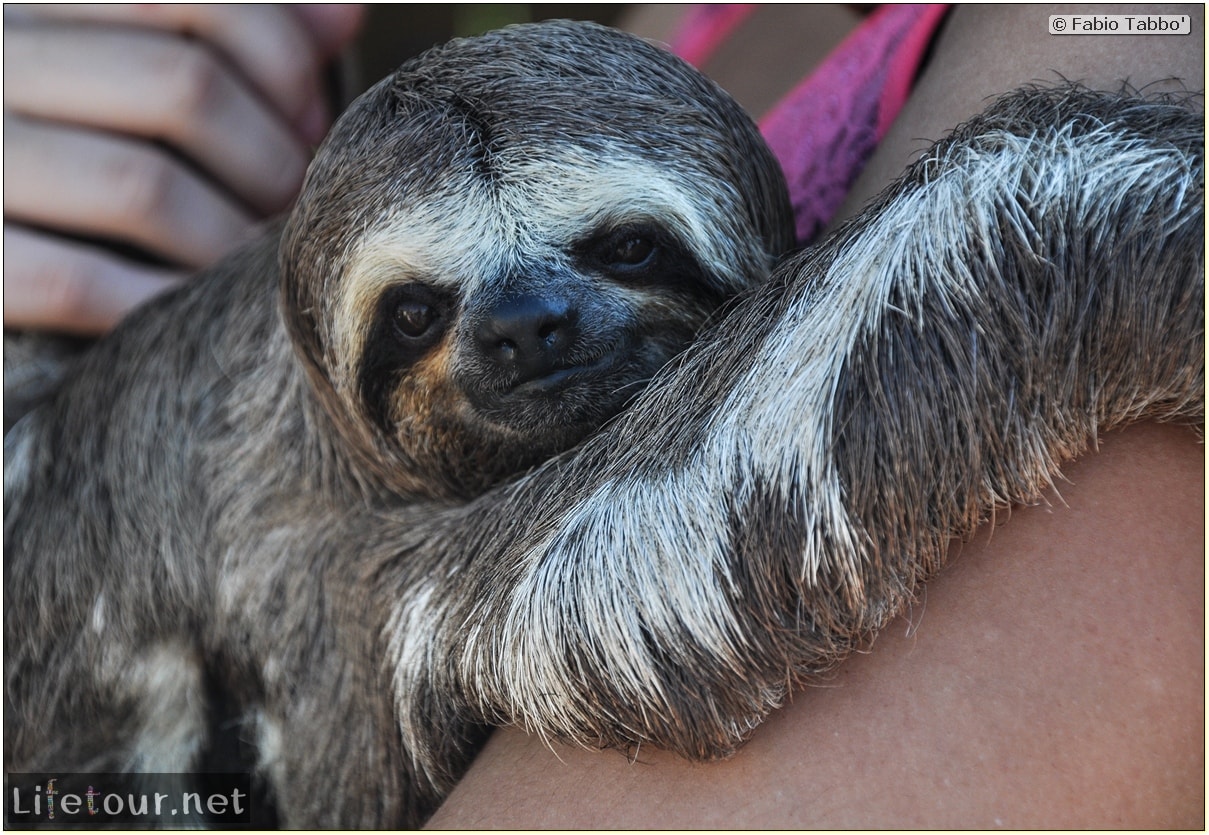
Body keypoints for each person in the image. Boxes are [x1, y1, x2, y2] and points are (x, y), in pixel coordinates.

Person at [4, 4, 1202, 827]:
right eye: (418, 316)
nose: (519, 326)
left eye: (622, 247)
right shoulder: (404, 575)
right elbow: (677, 556)